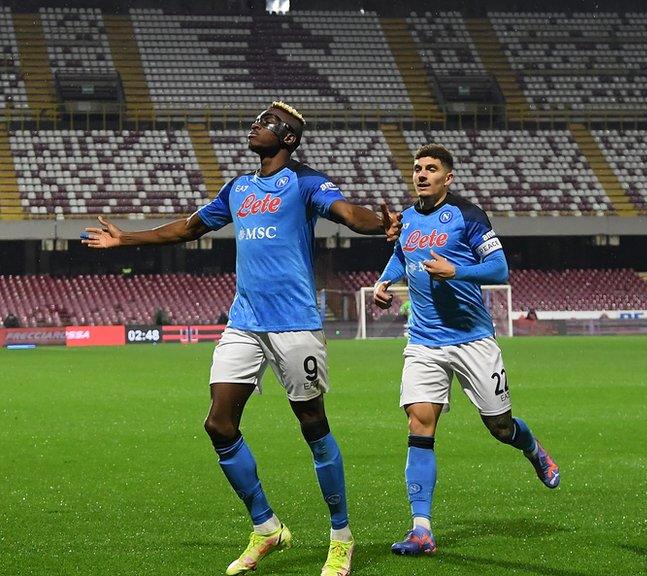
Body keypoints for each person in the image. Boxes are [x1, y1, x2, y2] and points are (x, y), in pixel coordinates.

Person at [82, 101, 401, 576]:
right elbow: (189, 228)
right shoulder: (238, 188)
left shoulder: (305, 182)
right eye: (257, 120)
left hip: (294, 323)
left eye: (267, 123)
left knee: (313, 426)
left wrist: (380, 225)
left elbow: (347, 211)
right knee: (218, 425)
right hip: (244, 322)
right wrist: (127, 240)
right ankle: (267, 527)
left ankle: (341, 536)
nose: (255, 126)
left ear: (288, 139)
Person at [373, 143, 560, 556]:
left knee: (500, 427)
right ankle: (421, 529)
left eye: (431, 169)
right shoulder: (405, 220)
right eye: (418, 168)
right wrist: (384, 284)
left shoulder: (468, 215)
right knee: (419, 426)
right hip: (423, 340)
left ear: (448, 177)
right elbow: (401, 257)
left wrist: (456, 270)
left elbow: (499, 269)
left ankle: (531, 448)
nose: (421, 174)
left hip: (473, 340)